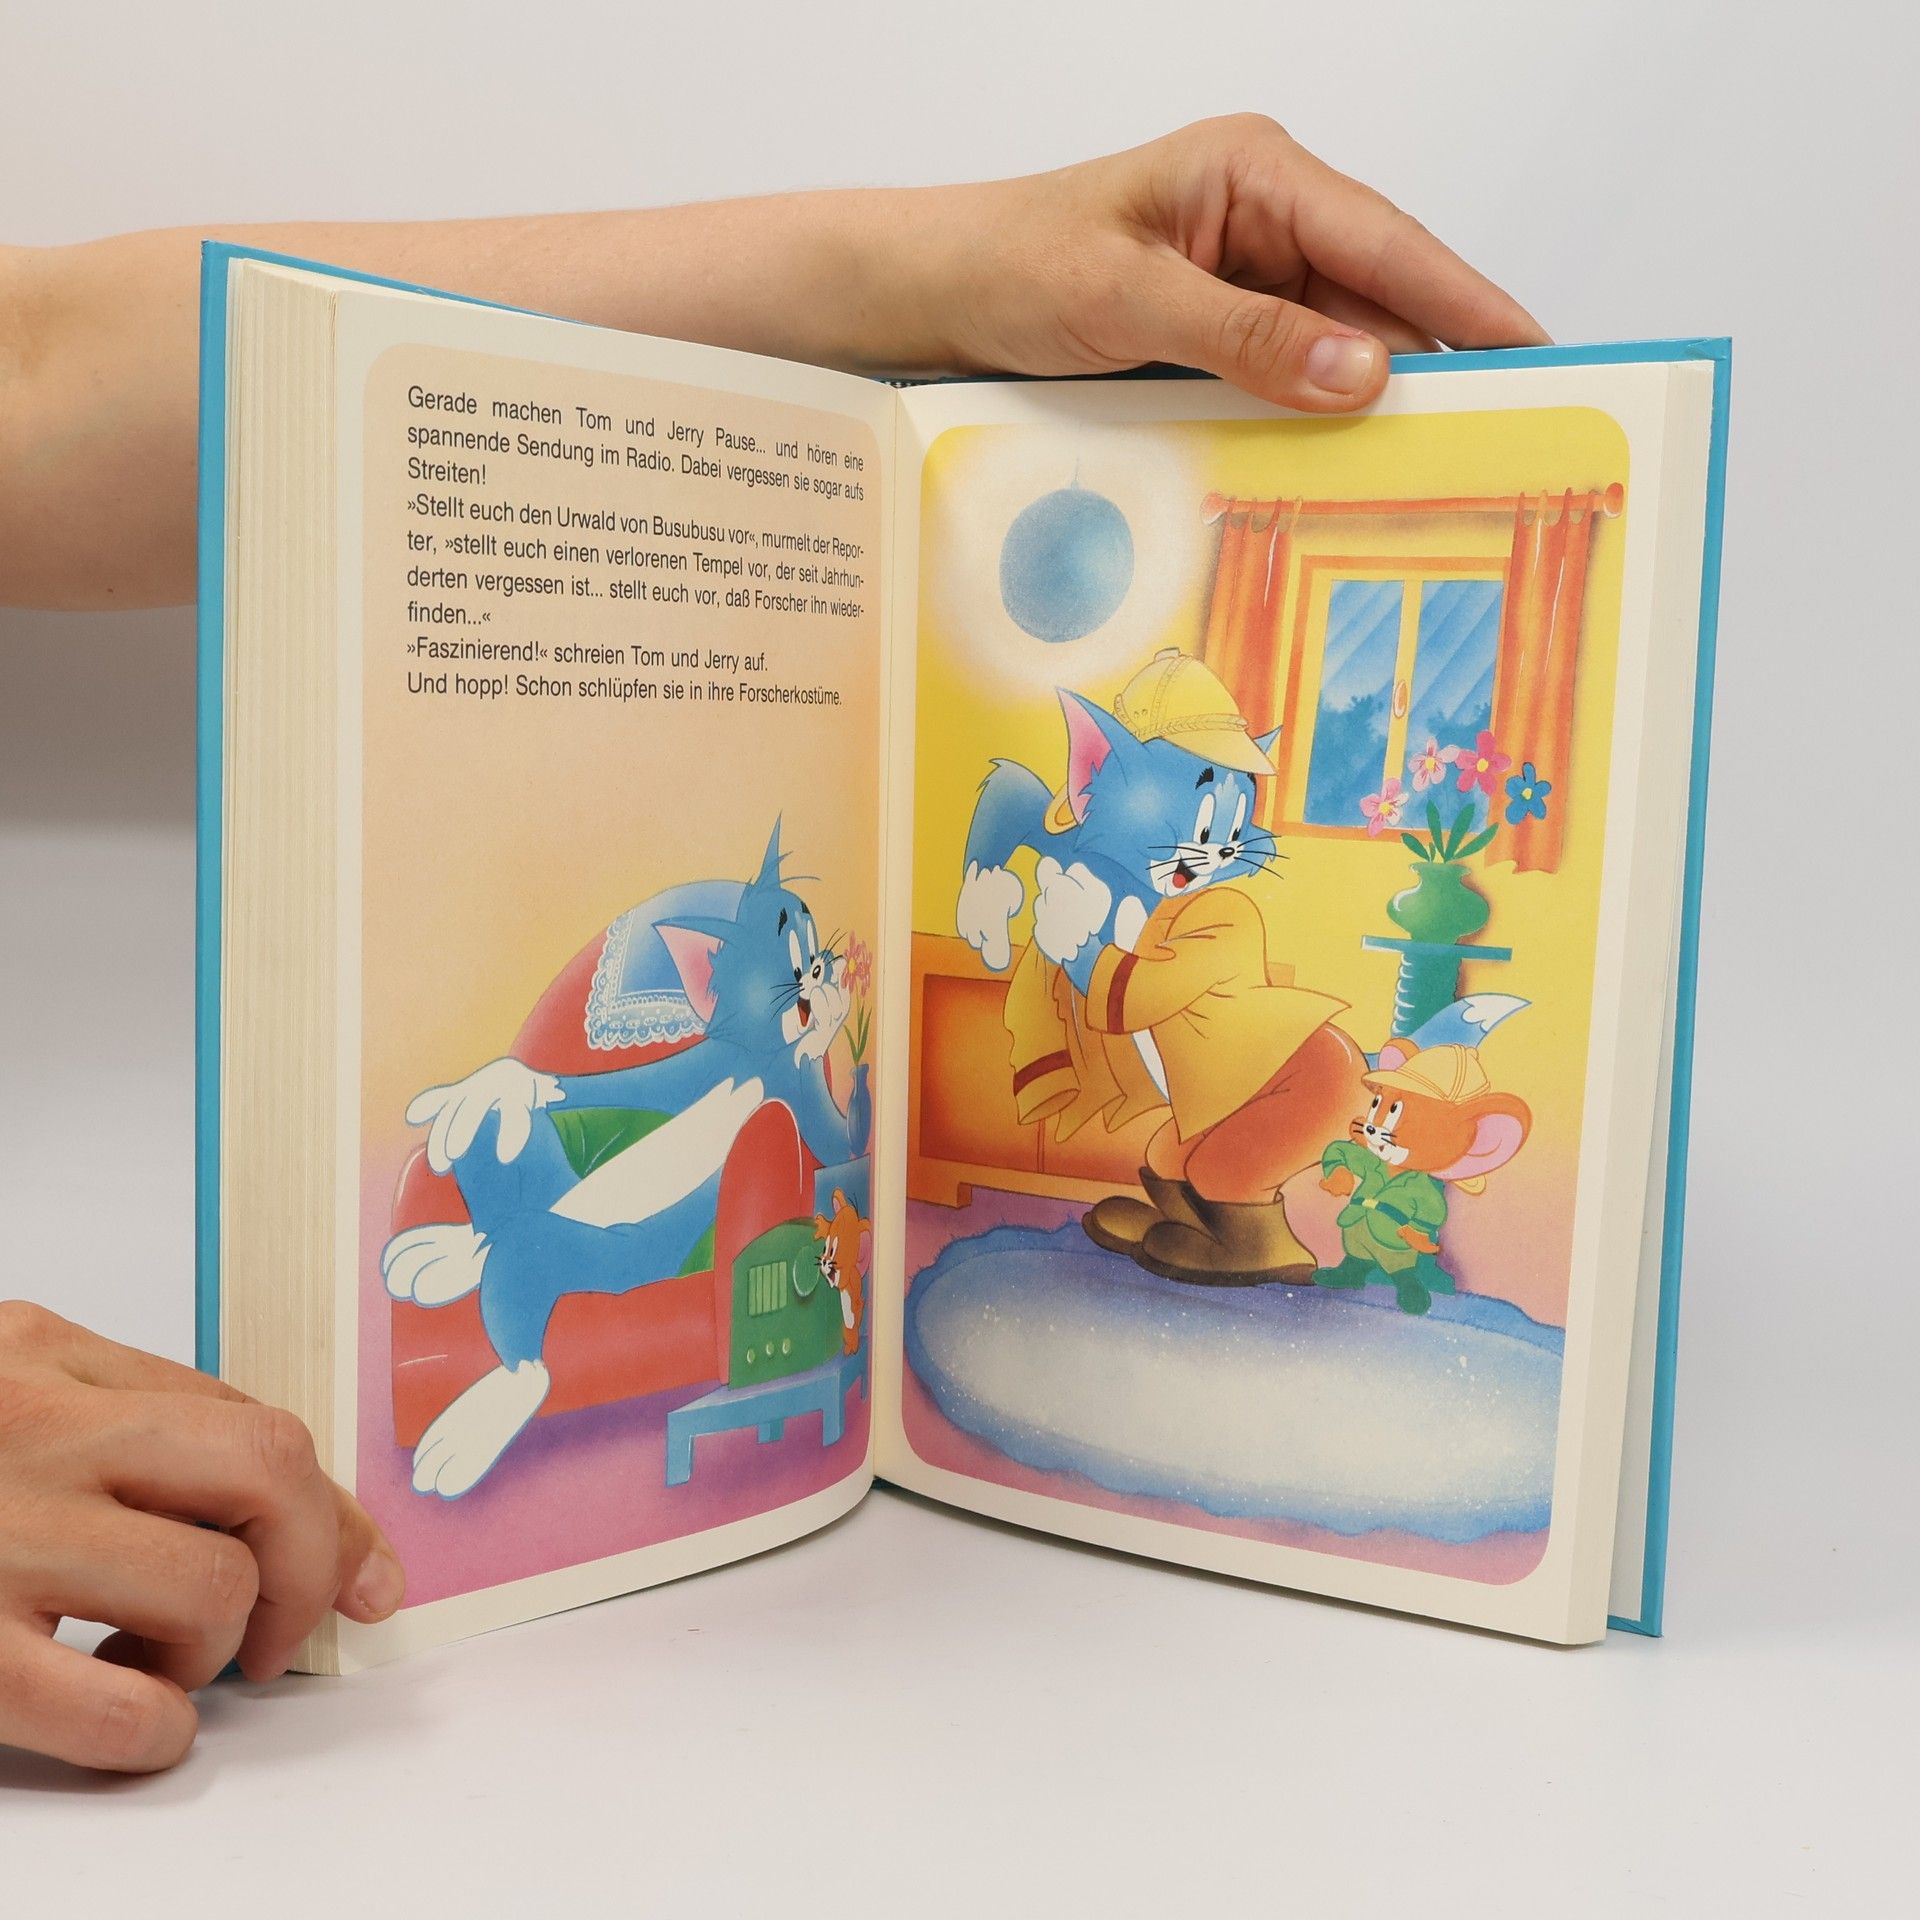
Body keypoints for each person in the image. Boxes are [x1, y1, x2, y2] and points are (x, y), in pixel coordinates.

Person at [0, 114, 1547, 1772]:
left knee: (1219, 1152)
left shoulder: (1178, 907)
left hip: (1252, 1073)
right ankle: (520, 1324)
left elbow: (39, 370)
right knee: (1179, 1153)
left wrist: (933, 276)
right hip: (656, 1210)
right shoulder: (931, 954)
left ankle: (1260, 1217)